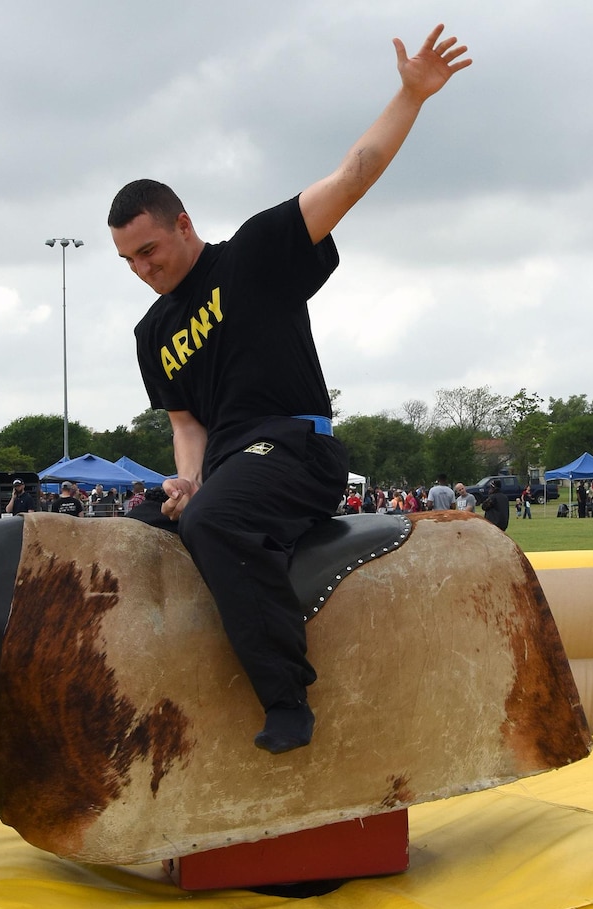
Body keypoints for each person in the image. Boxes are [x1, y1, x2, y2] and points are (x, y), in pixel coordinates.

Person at [108, 25, 472, 755]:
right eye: (127, 259)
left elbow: (353, 175)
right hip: (230, 462)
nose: (141, 267)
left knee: (213, 522)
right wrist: (183, 482)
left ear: (184, 224)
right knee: (132, 532)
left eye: (148, 249)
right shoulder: (151, 334)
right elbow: (186, 423)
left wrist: (410, 94)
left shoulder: (253, 255)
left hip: (295, 447)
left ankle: (287, 698)